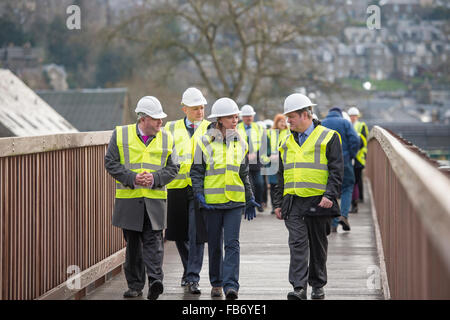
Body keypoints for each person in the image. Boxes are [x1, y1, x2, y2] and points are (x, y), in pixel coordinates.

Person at [104, 96, 179, 300]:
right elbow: (110, 162)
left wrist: (154, 178)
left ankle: (155, 281)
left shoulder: (167, 137)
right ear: (143, 119)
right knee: (134, 245)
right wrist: (132, 178)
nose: (160, 122)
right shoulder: (120, 134)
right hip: (129, 199)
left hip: (154, 199)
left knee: (154, 241)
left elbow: (174, 168)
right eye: (156, 119)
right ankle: (135, 286)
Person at [273, 93, 343, 300]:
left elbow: (337, 170)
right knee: (297, 244)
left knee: (317, 244)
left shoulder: (329, 137)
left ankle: (318, 284)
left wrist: (330, 195)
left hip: (319, 201)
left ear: (305, 115)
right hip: (293, 202)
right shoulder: (285, 141)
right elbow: (281, 174)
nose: (288, 121)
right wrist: (277, 202)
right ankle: (298, 288)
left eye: (291, 117)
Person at [190, 97, 260, 300]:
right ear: (220, 119)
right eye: (231, 116)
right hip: (211, 203)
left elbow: (244, 172)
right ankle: (216, 283)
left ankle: (231, 286)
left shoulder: (241, 142)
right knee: (213, 244)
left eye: (236, 116)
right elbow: (196, 172)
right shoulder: (203, 141)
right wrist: (199, 194)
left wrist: (249, 197)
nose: (235, 119)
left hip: (234, 202)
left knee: (232, 244)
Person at [164, 88, 210, 294]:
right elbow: (162, 153)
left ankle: (192, 277)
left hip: (201, 188)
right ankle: (187, 269)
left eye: (201, 107)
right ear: (184, 109)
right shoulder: (170, 128)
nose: (200, 111)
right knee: (179, 233)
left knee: (196, 233)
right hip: (177, 186)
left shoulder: (212, 129)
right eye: (195, 108)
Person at [321, 107, 360, 232]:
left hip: (326, 162)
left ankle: (333, 221)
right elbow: (355, 139)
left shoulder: (322, 123)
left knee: (330, 189)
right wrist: (351, 155)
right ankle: (343, 215)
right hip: (344, 160)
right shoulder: (345, 122)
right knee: (347, 187)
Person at [237, 105, 268, 212]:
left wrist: (256, 154)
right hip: (243, 161)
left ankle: (259, 203)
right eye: (246, 116)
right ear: (242, 117)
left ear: (253, 116)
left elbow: (264, 144)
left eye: (250, 116)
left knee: (259, 184)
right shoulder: (237, 128)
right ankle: (248, 205)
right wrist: (246, 155)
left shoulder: (259, 127)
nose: (248, 118)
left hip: (257, 161)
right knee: (248, 185)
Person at [348, 106, 369, 213]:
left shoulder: (362, 125)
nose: (353, 118)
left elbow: (364, 140)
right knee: (354, 179)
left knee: (358, 178)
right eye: (351, 116)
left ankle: (360, 197)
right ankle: (356, 197)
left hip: (359, 156)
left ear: (357, 116)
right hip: (352, 156)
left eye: (355, 116)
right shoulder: (348, 125)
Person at [267, 113, 289, 214]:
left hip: (284, 162)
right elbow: (265, 148)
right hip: (272, 163)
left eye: (284, 121)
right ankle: (273, 206)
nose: (283, 123)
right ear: (276, 122)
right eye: (281, 121)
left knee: (282, 184)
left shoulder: (288, 132)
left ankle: (282, 205)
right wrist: (269, 156)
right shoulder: (269, 133)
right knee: (272, 186)